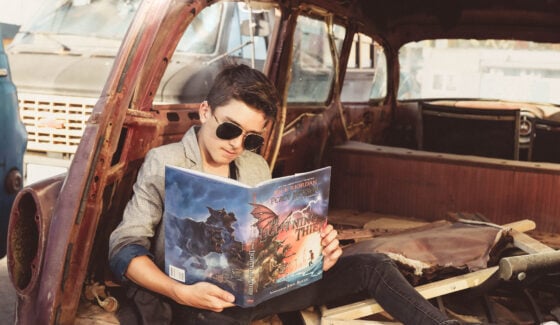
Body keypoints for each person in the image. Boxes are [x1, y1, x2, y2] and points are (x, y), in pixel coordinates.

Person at [109, 64, 459, 325]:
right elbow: (123, 248)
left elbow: (275, 243)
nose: (236, 144)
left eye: (251, 138)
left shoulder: (255, 166)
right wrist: (179, 291)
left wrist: (315, 255)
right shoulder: (164, 162)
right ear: (204, 112)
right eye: (229, 128)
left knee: (374, 265)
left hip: (259, 290)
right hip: (192, 301)